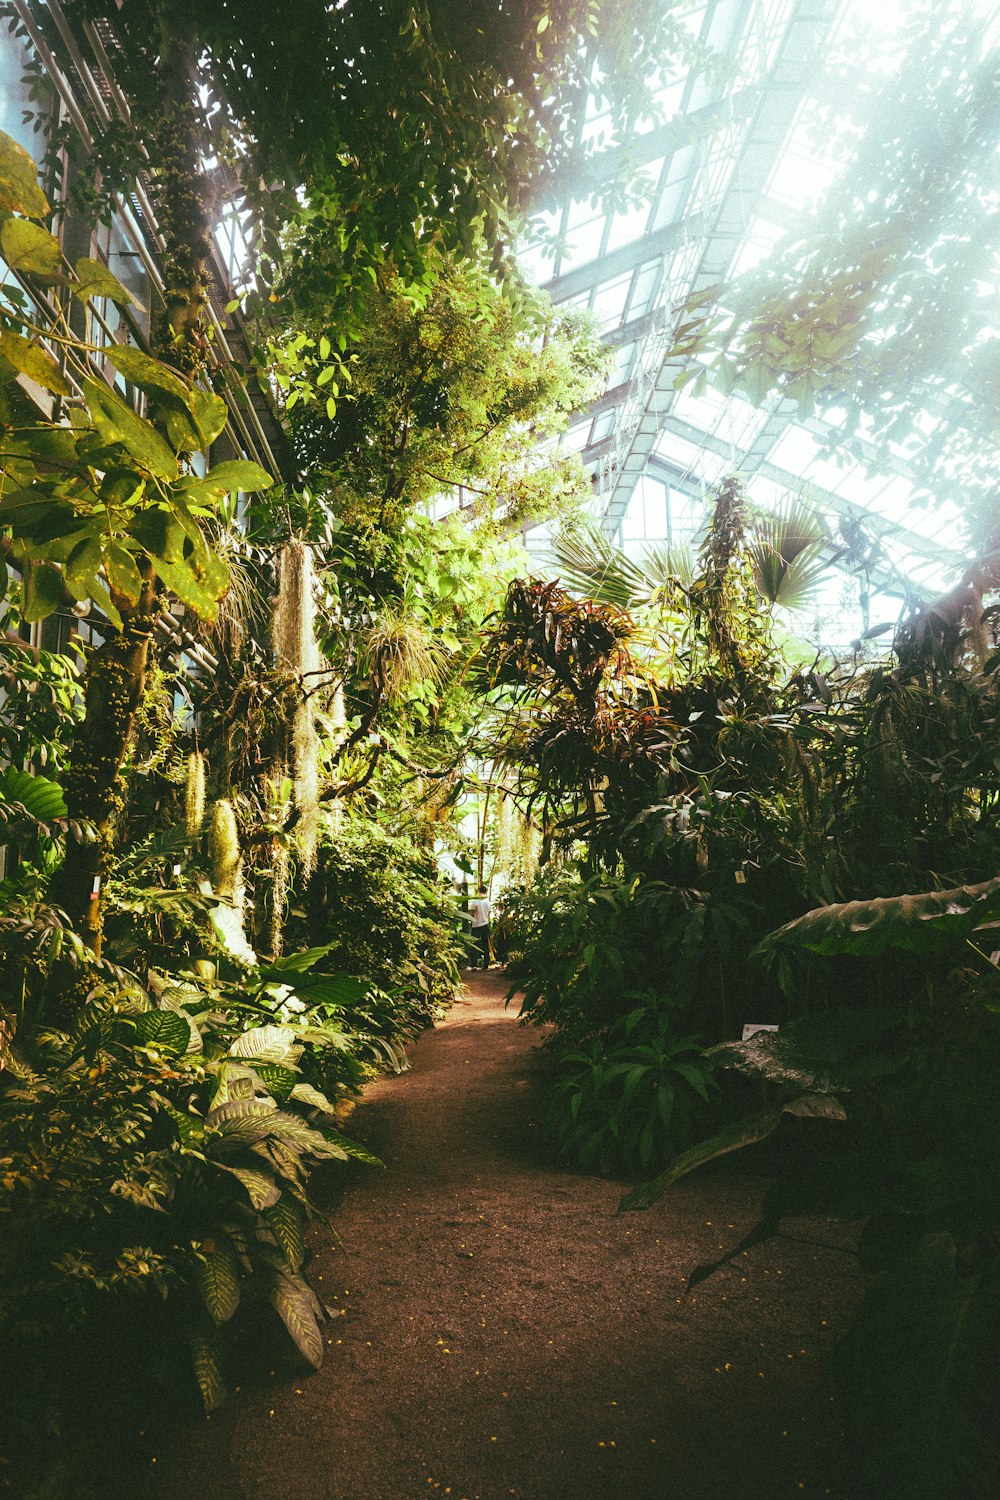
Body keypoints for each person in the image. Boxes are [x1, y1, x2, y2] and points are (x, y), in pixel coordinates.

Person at [468, 885, 492, 969]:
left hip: (476, 925)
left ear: (478, 891)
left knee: (474, 944)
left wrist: (471, 921)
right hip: (485, 925)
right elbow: (489, 914)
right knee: (485, 945)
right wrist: (488, 923)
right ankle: (486, 964)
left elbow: (472, 912)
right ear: (486, 891)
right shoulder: (487, 901)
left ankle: (474, 964)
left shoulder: (476, 900)